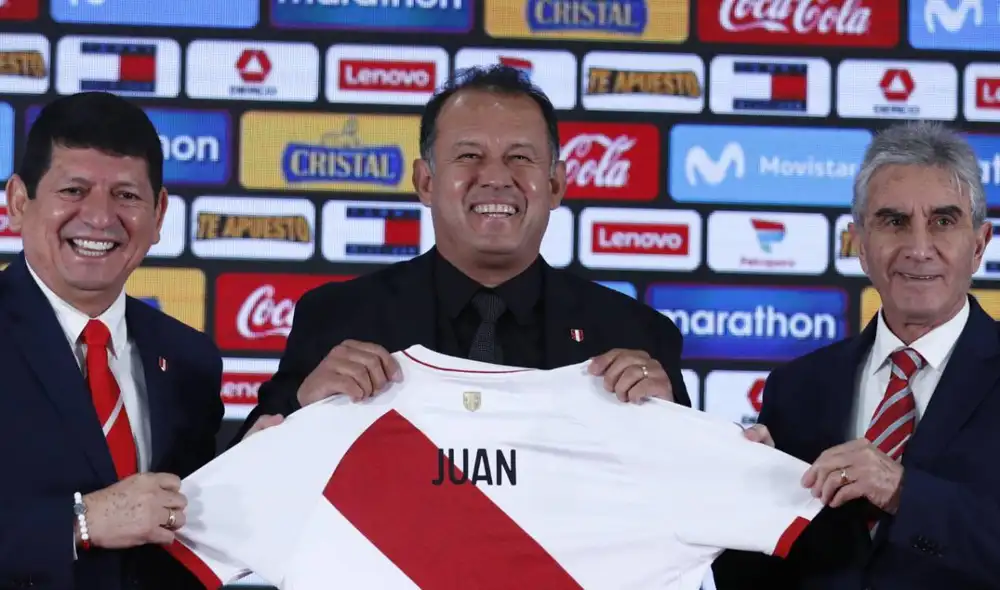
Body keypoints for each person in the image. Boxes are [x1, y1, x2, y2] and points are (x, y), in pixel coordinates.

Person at [235, 64, 690, 442]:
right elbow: (242, 483)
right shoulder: (336, 317)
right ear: (425, 182)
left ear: (555, 185)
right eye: (469, 155)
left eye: (520, 157)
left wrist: (670, 430)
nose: (495, 177)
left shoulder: (637, 335)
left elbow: (699, 506)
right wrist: (300, 409)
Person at [712, 121, 1000, 589]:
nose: (919, 248)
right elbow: (754, 580)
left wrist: (904, 493)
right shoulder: (797, 388)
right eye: (893, 222)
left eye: (943, 221)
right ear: (860, 245)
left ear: (980, 244)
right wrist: (746, 507)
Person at [0, 92, 223, 590]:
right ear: (18, 202)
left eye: (126, 195)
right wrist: (82, 522)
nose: (100, 217)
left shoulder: (191, 359)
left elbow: (191, 535)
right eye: (74, 190)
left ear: (159, 212)